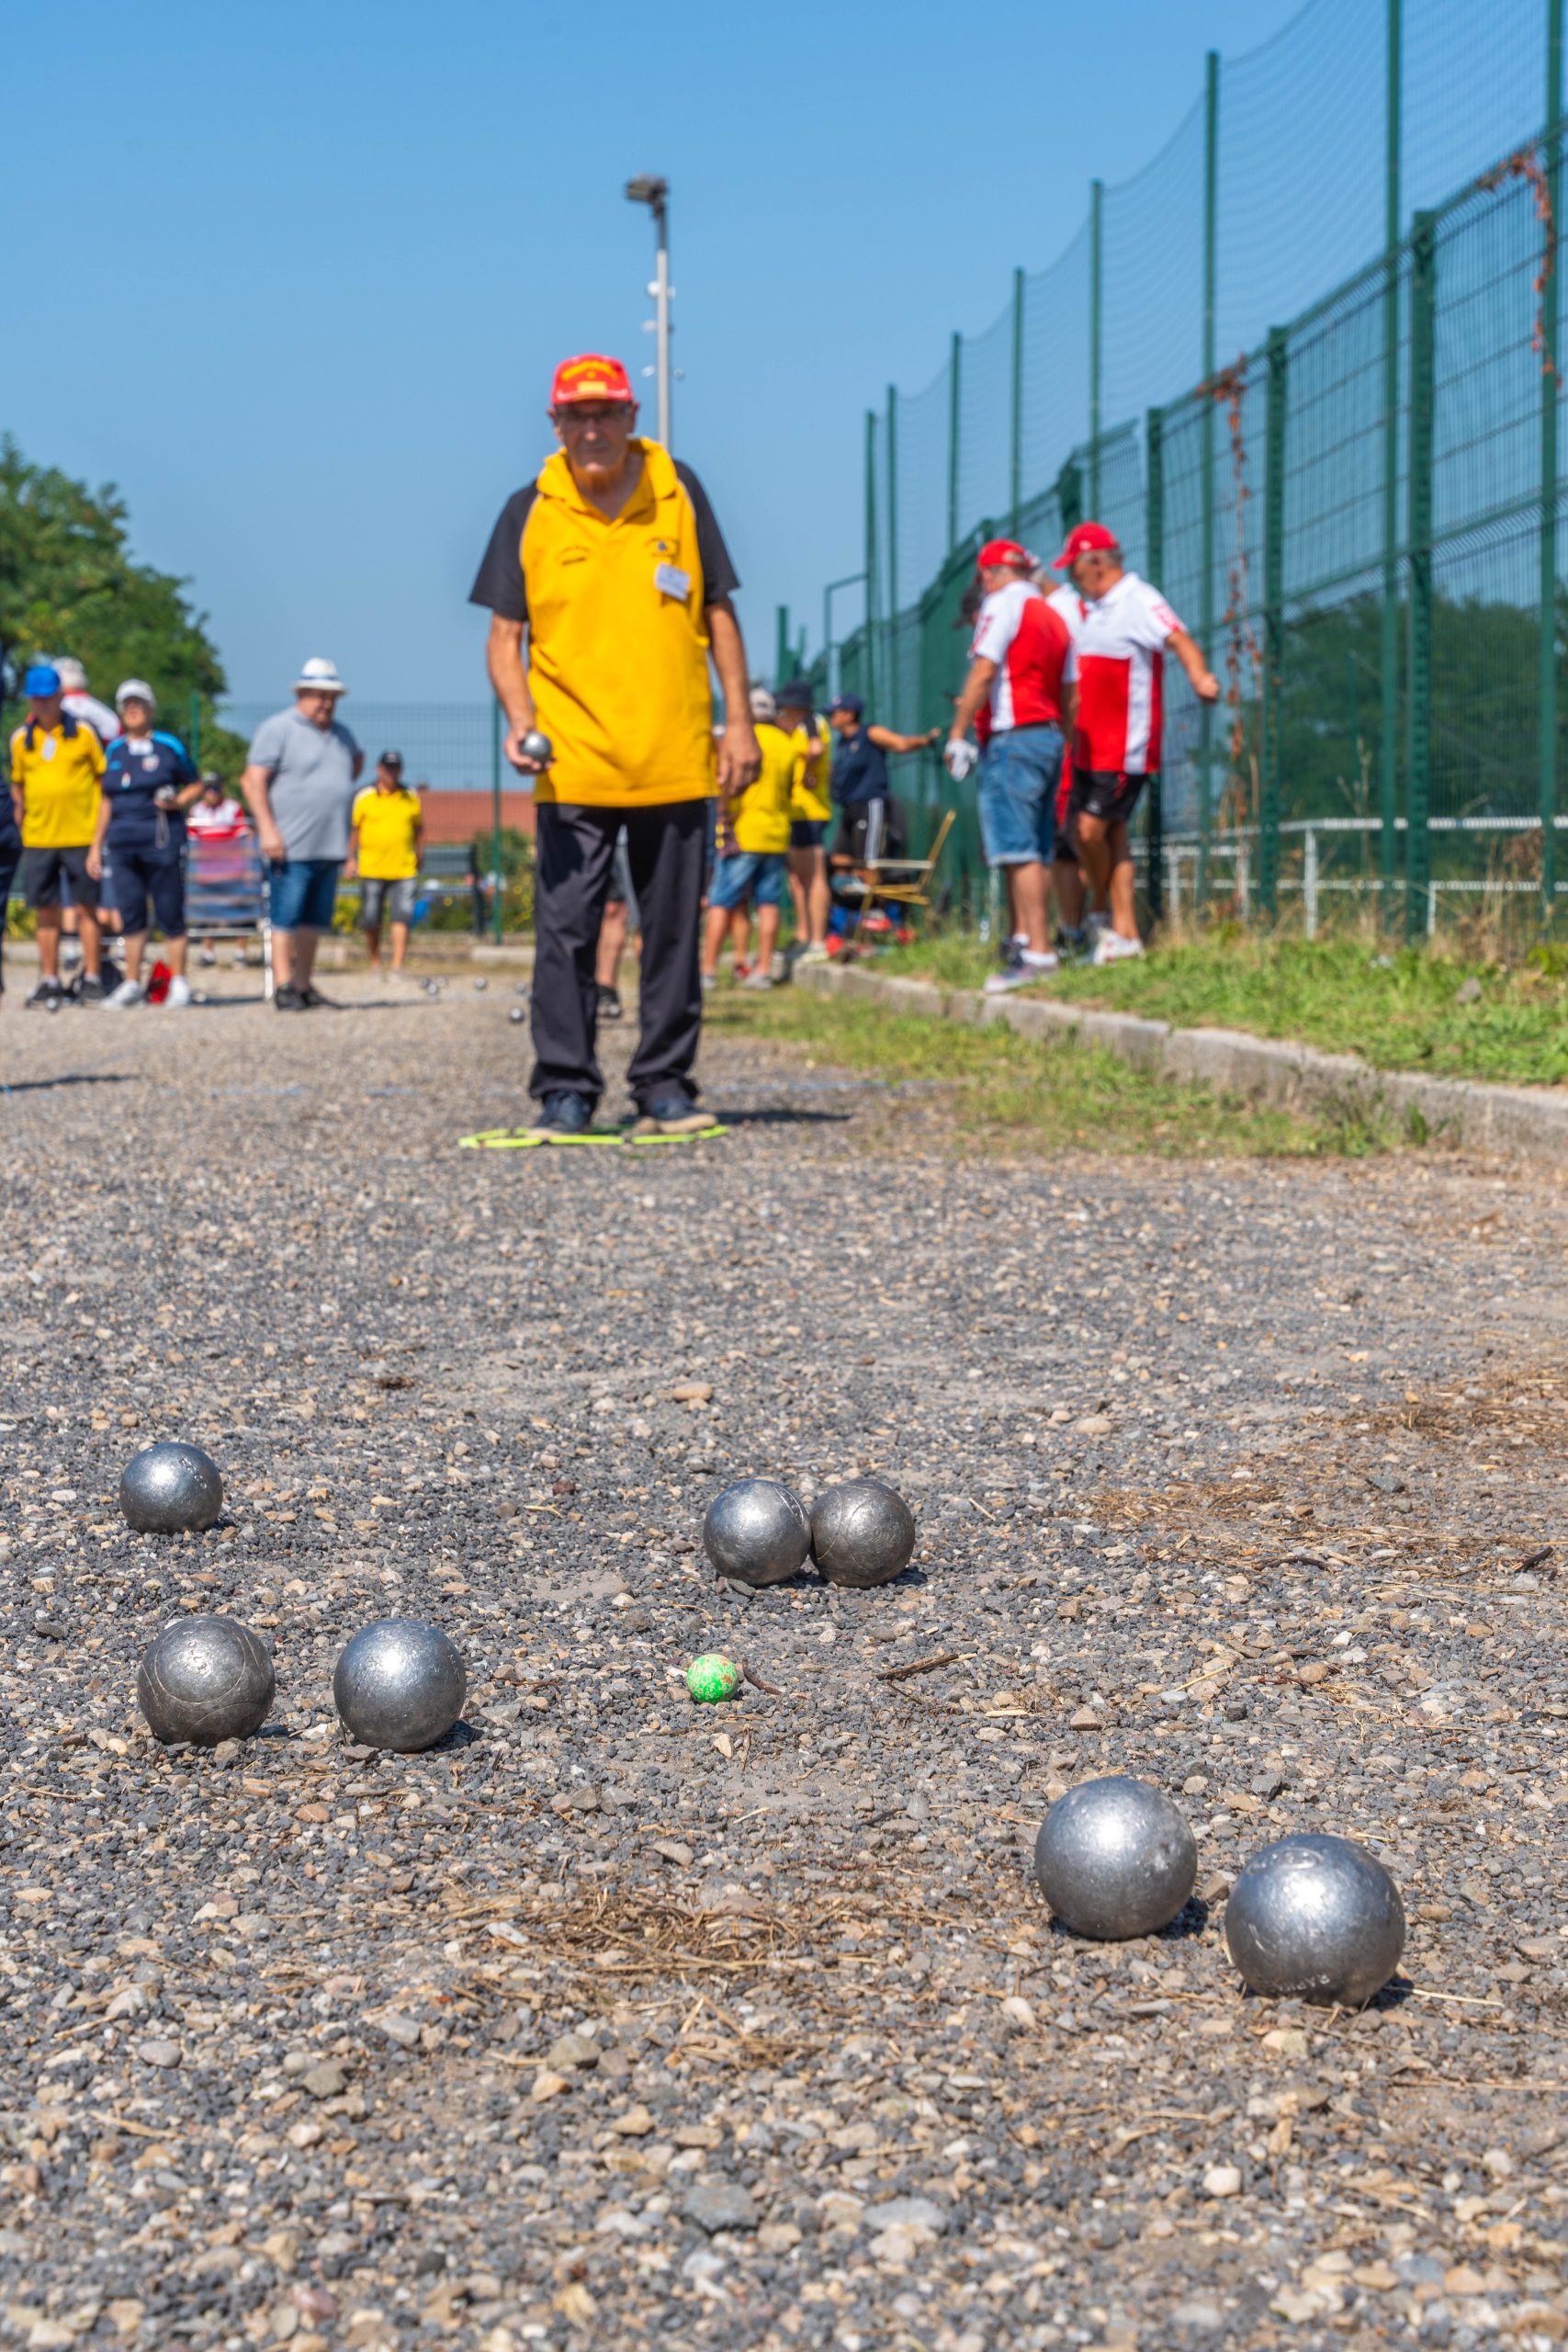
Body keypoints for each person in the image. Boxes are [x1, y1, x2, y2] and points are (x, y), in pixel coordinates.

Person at [470, 350, 759, 1136]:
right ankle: (565, 1089)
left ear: (632, 417)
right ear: (555, 424)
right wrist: (520, 718)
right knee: (564, 933)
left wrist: (739, 723)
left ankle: (664, 1085)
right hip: (570, 760)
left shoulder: (679, 492)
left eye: (606, 413)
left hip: (672, 754)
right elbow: (505, 637)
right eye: (577, 414)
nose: (592, 427)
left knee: (671, 931)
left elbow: (718, 615)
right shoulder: (527, 508)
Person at [1055, 522, 1219, 962]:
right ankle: (1124, 935)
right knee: (1111, 838)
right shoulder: (1095, 608)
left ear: (1095, 563)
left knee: (1091, 831)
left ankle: (1104, 913)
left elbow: (1179, 639)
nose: (1072, 578)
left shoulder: (1138, 599)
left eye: (1074, 568)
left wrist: (1200, 676)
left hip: (1123, 748)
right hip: (1088, 749)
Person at [944, 537, 1075, 993]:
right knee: (1037, 849)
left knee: (1017, 850)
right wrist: (1066, 739)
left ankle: (1036, 951)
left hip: (1013, 737)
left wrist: (958, 732)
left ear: (987, 575)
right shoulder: (1054, 614)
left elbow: (984, 671)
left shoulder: (1001, 606)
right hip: (1049, 736)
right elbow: (1069, 690)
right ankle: (1033, 943)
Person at [239, 658, 363, 1009]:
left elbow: (354, 764)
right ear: (302, 693)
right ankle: (283, 986)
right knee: (285, 917)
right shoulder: (278, 728)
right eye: (319, 695)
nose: (326, 703)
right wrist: (267, 830)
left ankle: (305, 984)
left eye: (331, 697)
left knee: (314, 922)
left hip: (329, 846)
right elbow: (253, 782)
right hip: (290, 846)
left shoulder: (341, 734)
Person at [92, 680, 203, 1007]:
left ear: (151, 708)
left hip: (161, 839)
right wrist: (95, 845)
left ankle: (179, 982)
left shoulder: (169, 745)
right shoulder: (113, 750)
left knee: (170, 910)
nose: (133, 709)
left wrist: (177, 800)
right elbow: (105, 801)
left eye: (139, 703)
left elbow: (195, 783)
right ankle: (131, 984)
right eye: (127, 704)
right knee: (131, 914)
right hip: (123, 843)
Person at [9, 663, 107, 1005]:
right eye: (36, 699)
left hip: (80, 835)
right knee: (45, 911)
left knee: (86, 909)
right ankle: (50, 979)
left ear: (60, 696)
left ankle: (93, 978)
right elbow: (17, 785)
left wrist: (98, 837)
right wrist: (24, 819)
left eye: (47, 698)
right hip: (39, 838)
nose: (41, 705)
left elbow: (101, 780)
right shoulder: (21, 739)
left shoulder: (83, 733)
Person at [701, 687, 797, 990]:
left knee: (720, 901)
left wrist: (725, 816)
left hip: (744, 833)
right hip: (777, 833)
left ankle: (707, 971)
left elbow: (728, 785)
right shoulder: (787, 745)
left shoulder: (740, 741)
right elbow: (790, 790)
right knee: (768, 903)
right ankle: (763, 970)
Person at [825, 695, 937, 869]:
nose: (830, 717)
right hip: (849, 808)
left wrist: (925, 740)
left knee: (868, 863)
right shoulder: (842, 744)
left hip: (869, 805)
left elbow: (900, 744)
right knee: (838, 859)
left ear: (849, 714)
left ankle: (877, 895)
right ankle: (854, 895)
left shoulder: (870, 732)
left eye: (834, 713)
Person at [346, 752, 423, 977]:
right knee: (371, 917)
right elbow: (355, 830)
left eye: (396, 768)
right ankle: (375, 962)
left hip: (404, 868)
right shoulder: (364, 796)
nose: (391, 772)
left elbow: (419, 829)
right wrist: (351, 859)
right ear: (378, 769)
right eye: (387, 768)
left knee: (402, 916)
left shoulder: (411, 795)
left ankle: (398, 965)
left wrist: (420, 854)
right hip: (371, 867)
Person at [778, 678, 831, 963]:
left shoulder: (811, 722)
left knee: (813, 876)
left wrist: (808, 773)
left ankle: (817, 941)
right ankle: (804, 935)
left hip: (809, 811)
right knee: (798, 877)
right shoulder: (801, 725)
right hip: (798, 811)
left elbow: (816, 750)